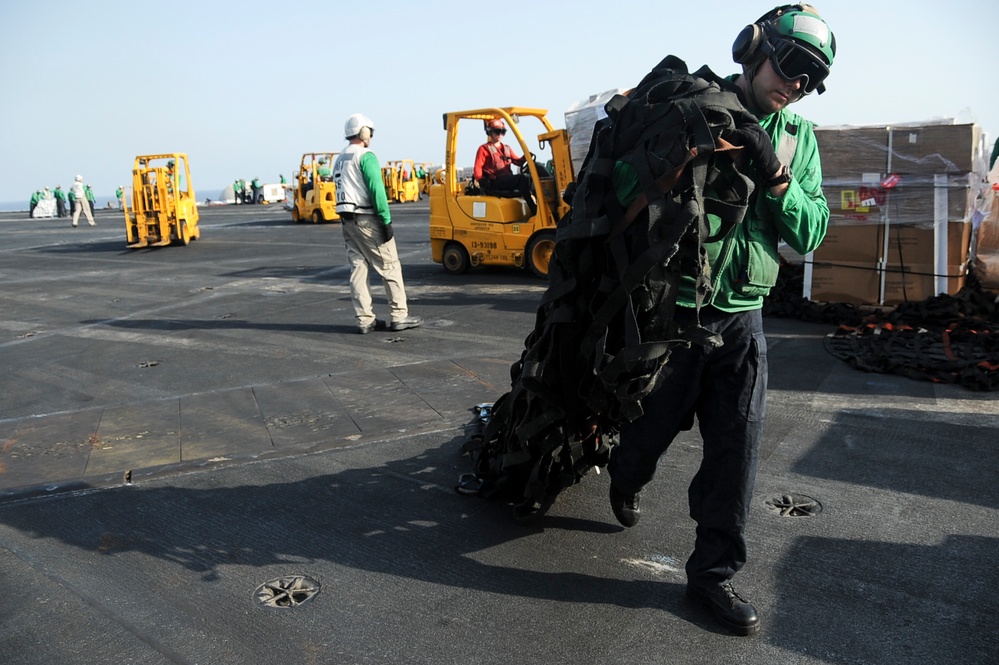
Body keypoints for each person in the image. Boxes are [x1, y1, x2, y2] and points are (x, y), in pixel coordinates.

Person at [605, 4, 835, 636]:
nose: (797, 85)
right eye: (791, 66)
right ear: (752, 49)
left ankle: (712, 577)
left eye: (812, 79)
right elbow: (625, 190)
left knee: (737, 455)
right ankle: (624, 478)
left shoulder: (799, 139)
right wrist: (678, 157)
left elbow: (812, 230)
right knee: (647, 435)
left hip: (743, 322)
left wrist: (777, 175)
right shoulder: (694, 106)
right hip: (676, 315)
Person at [332, 113, 422, 334]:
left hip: (347, 221)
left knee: (358, 269)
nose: (371, 136)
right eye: (370, 132)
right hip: (367, 220)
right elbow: (377, 191)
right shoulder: (365, 155)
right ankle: (399, 315)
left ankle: (364, 320)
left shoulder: (340, 158)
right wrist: (386, 221)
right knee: (390, 266)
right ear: (363, 132)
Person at [473, 119, 536, 215]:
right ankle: (533, 208)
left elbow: (517, 161)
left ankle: (541, 204)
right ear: (490, 132)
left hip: (506, 180)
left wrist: (526, 157)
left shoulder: (506, 148)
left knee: (531, 178)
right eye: (497, 131)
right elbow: (478, 167)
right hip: (495, 182)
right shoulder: (484, 149)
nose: (500, 134)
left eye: (502, 132)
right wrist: (480, 179)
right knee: (522, 179)